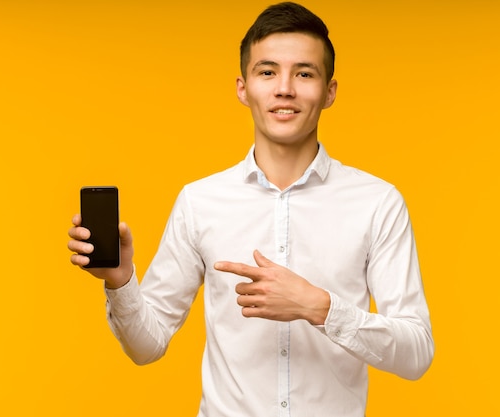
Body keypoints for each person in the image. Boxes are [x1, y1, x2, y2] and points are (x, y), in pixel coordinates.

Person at [68, 2, 434, 416]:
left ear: (329, 91)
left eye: (304, 73)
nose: (284, 88)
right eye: (267, 71)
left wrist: (318, 306)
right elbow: (147, 346)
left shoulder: (377, 203)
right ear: (243, 88)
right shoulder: (200, 201)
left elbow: (416, 352)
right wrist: (120, 281)